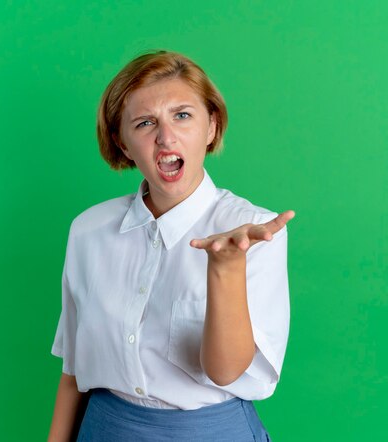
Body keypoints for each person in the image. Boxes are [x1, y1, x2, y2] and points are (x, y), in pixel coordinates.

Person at [47, 50, 295, 442]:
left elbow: (225, 371)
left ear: (211, 127)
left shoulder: (253, 232)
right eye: (145, 123)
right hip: (104, 429)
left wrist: (225, 269)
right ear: (123, 143)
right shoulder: (88, 231)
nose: (166, 136)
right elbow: (74, 373)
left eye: (182, 115)